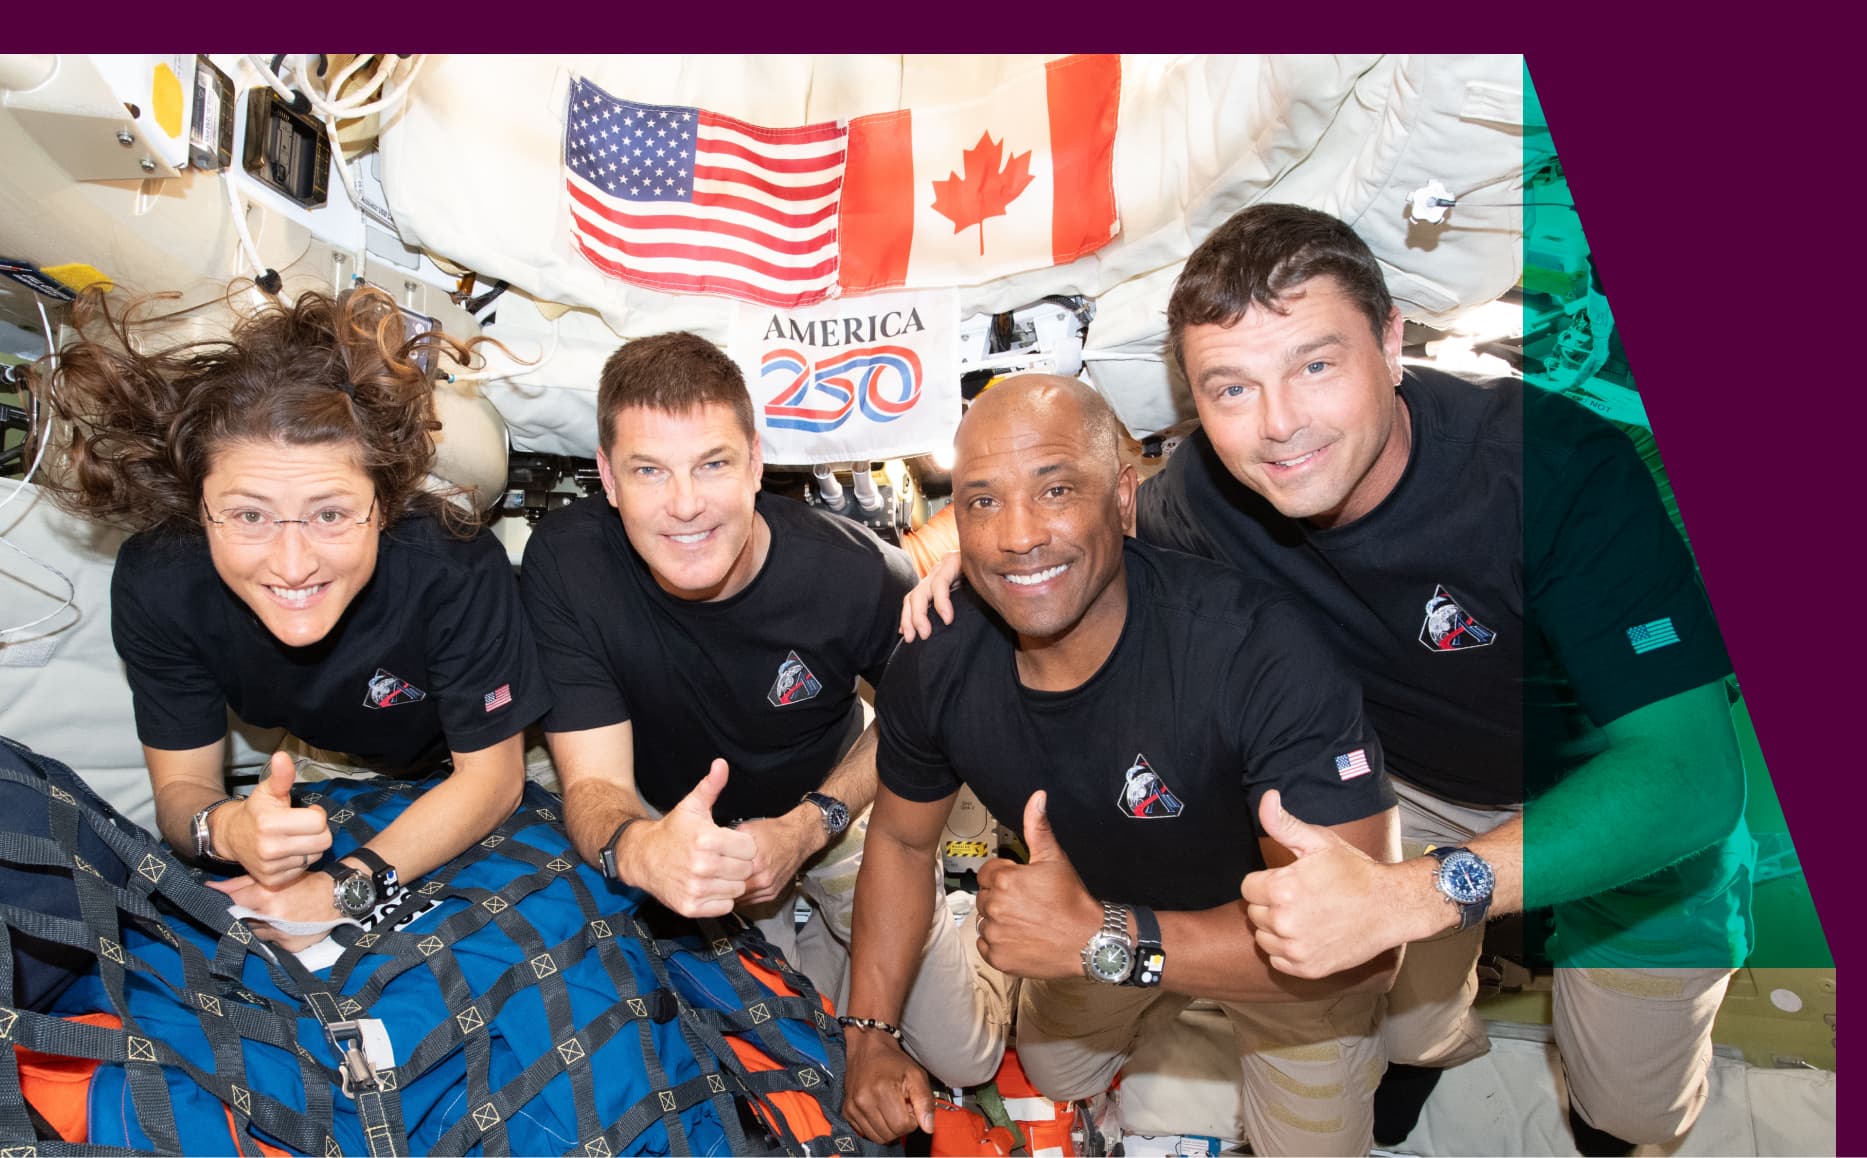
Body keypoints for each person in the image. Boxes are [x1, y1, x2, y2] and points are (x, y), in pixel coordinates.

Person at [905, 205, 1754, 1155]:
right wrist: (972, 558)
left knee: (1631, 1104)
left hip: (1609, 791)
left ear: (1391, 343)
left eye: (1315, 365)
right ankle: (1431, 1051)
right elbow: (1070, 519)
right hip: (1409, 788)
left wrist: (1421, 895)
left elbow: (1694, 777)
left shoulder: (1548, 471)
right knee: (1394, 1014)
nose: (1278, 427)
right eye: (1232, 387)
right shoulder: (1205, 495)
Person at [847, 374, 1399, 1155]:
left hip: (1283, 948)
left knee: (1345, 1113)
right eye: (982, 501)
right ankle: (1159, 998)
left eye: (1057, 489)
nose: (1018, 536)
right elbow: (902, 843)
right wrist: (868, 1032)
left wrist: (1100, 939)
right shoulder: (937, 660)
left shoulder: (1257, 651)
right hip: (1097, 917)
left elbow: (1366, 953)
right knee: (1058, 1070)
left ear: (1124, 498)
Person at [517, 331, 1007, 1091]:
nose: (684, 506)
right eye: (650, 471)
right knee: (764, 1043)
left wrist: (809, 825)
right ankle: (816, 937)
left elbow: (916, 723)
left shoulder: (853, 572)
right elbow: (594, 785)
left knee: (964, 1060)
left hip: (829, 803)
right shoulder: (567, 563)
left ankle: (949, 912)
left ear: (753, 463)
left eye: (711, 464)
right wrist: (644, 851)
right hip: (681, 822)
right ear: (608, 478)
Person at [35, 286, 551, 951]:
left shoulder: (452, 565)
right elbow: (184, 789)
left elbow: (492, 780)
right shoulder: (160, 581)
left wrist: (339, 889)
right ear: (200, 509)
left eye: (330, 514)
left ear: (386, 504)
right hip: (332, 757)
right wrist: (227, 828)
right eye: (250, 515)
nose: (292, 562)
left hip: (501, 751)